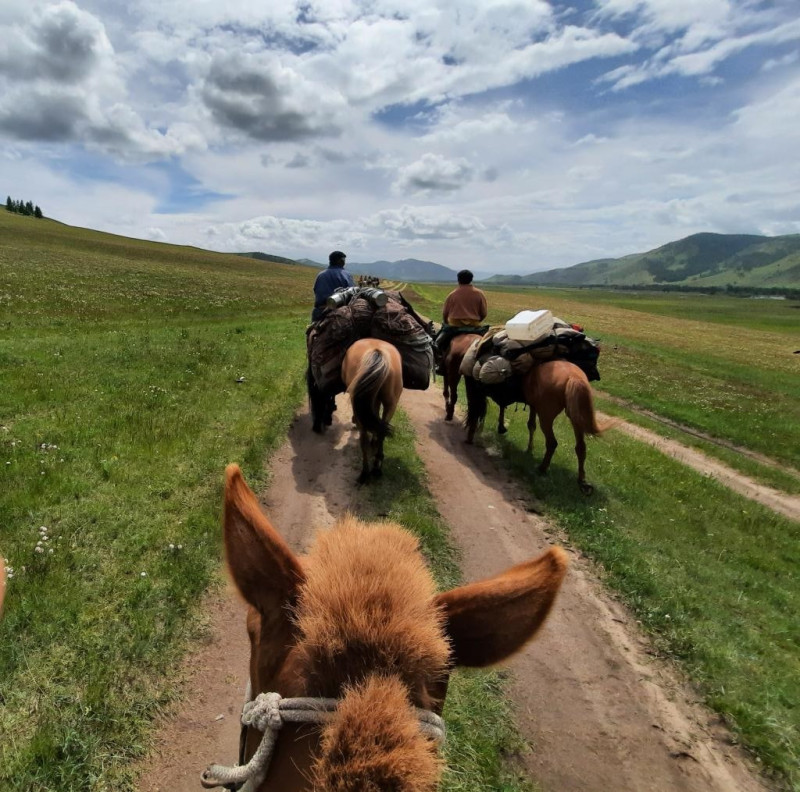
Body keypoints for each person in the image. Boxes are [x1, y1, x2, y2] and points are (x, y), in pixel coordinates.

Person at [434, 269, 488, 373]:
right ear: (471, 280)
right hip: (474, 326)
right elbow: (483, 313)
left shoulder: (452, 294)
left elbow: (445, 313)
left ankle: (440, 364)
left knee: (437, 343)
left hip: (454, 326)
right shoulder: (479, 294)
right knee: (490, 344)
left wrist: (446, 323)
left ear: (458, 280)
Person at [311, 250, 356, 322]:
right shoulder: (346, 275)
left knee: (313, 331)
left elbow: (316, 290)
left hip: (320, 311)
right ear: (339, 261)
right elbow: (353, 293)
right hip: (341, 312)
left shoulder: (321, 275)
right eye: (343, 260)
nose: (344, 262)